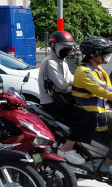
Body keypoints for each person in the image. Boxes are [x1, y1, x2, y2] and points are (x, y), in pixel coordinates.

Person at [38, 31, 89, 165]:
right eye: (64, 47)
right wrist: (66, 86)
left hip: (63, 100)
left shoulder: (62, 62)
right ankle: (67, 149)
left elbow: (71, 81)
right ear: (53, 46)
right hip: (52, 104)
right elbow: (63, 84)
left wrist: (67, 86)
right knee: (87, 117)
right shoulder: (50, 62)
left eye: (69, 48)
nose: (67, 51)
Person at [71, 36, 112, 174]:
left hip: (102, 111)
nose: (108, 55)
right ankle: (107, 164)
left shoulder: (99, 70)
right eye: (105, 53)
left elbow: (109, 88)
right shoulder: (84, 71)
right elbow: (103, 90)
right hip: (93, 115)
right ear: (94, 54)